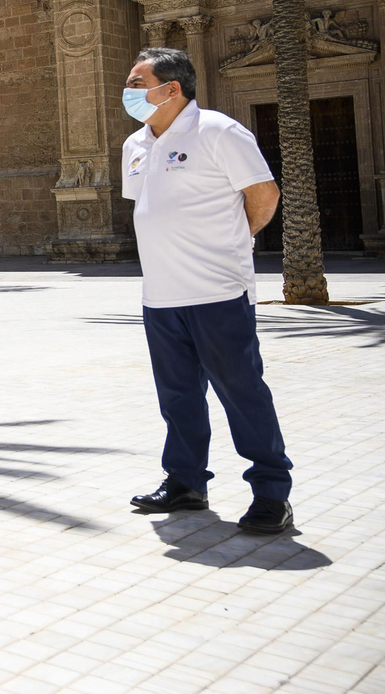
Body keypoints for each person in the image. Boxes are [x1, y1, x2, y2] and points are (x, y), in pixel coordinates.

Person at [119, 47, 294, 534]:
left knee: (241, 392)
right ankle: (186, 482)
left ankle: (271, 493)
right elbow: (151, 206)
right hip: (160, 297)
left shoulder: (218, 131)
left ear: (171, 89)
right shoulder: (136, 144)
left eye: (137, 83)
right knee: (177, 398)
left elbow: (263, 194)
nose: (129, 92)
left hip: (217, 292)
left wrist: (235, 241)